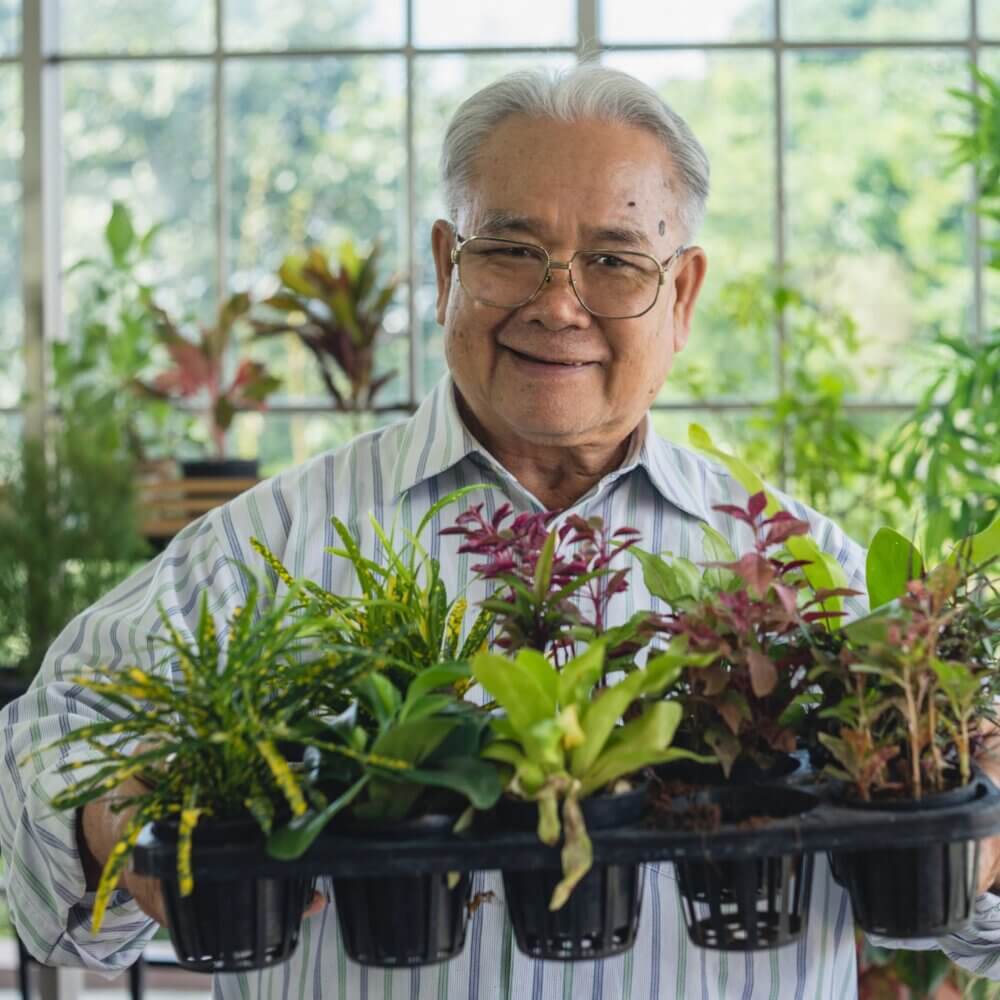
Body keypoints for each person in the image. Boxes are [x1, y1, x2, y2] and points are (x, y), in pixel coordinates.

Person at [2, 65, 999, 1000]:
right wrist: (114, 825)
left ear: (682, 293)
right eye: (511, 251)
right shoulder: (261, 550)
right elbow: (34, 781)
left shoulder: (800, 571)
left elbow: (969, 909)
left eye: (614, 260)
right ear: (446, 265)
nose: (558, 303)